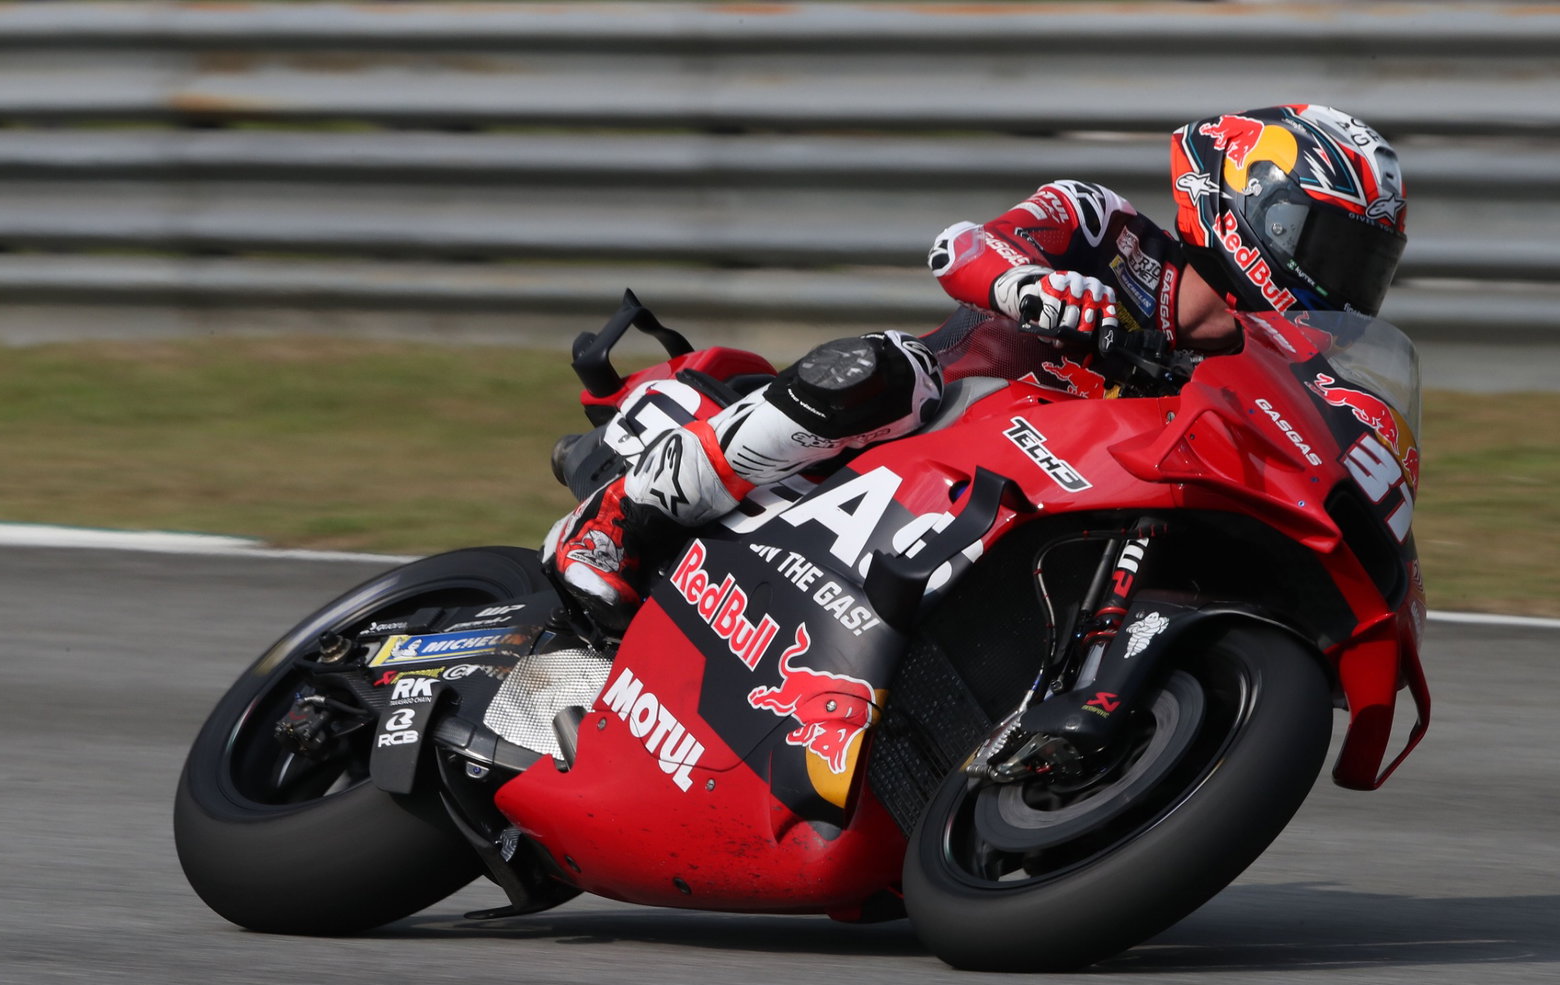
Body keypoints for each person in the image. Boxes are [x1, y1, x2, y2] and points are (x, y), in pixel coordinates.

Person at [543, 104, 1409, 631]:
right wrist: (1032, 286)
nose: (1344, 287)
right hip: (932, 430)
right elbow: (960, 248)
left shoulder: (1267, 381)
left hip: (1041, 509)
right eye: (1331, 248)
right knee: (887, 369)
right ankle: (622, 517)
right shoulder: (1105, 226)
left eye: (1365, 269)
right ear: (1253, 207)